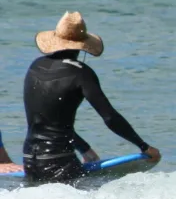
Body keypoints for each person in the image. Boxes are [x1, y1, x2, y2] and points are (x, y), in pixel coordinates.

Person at [23, 11, 160, 184]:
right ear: (82, 45)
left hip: (29, 159)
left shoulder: (35, 66)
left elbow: (47, 120)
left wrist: (84, 149)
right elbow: (110, 117)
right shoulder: (80, 73)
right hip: (59, 160)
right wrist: (144, 146)